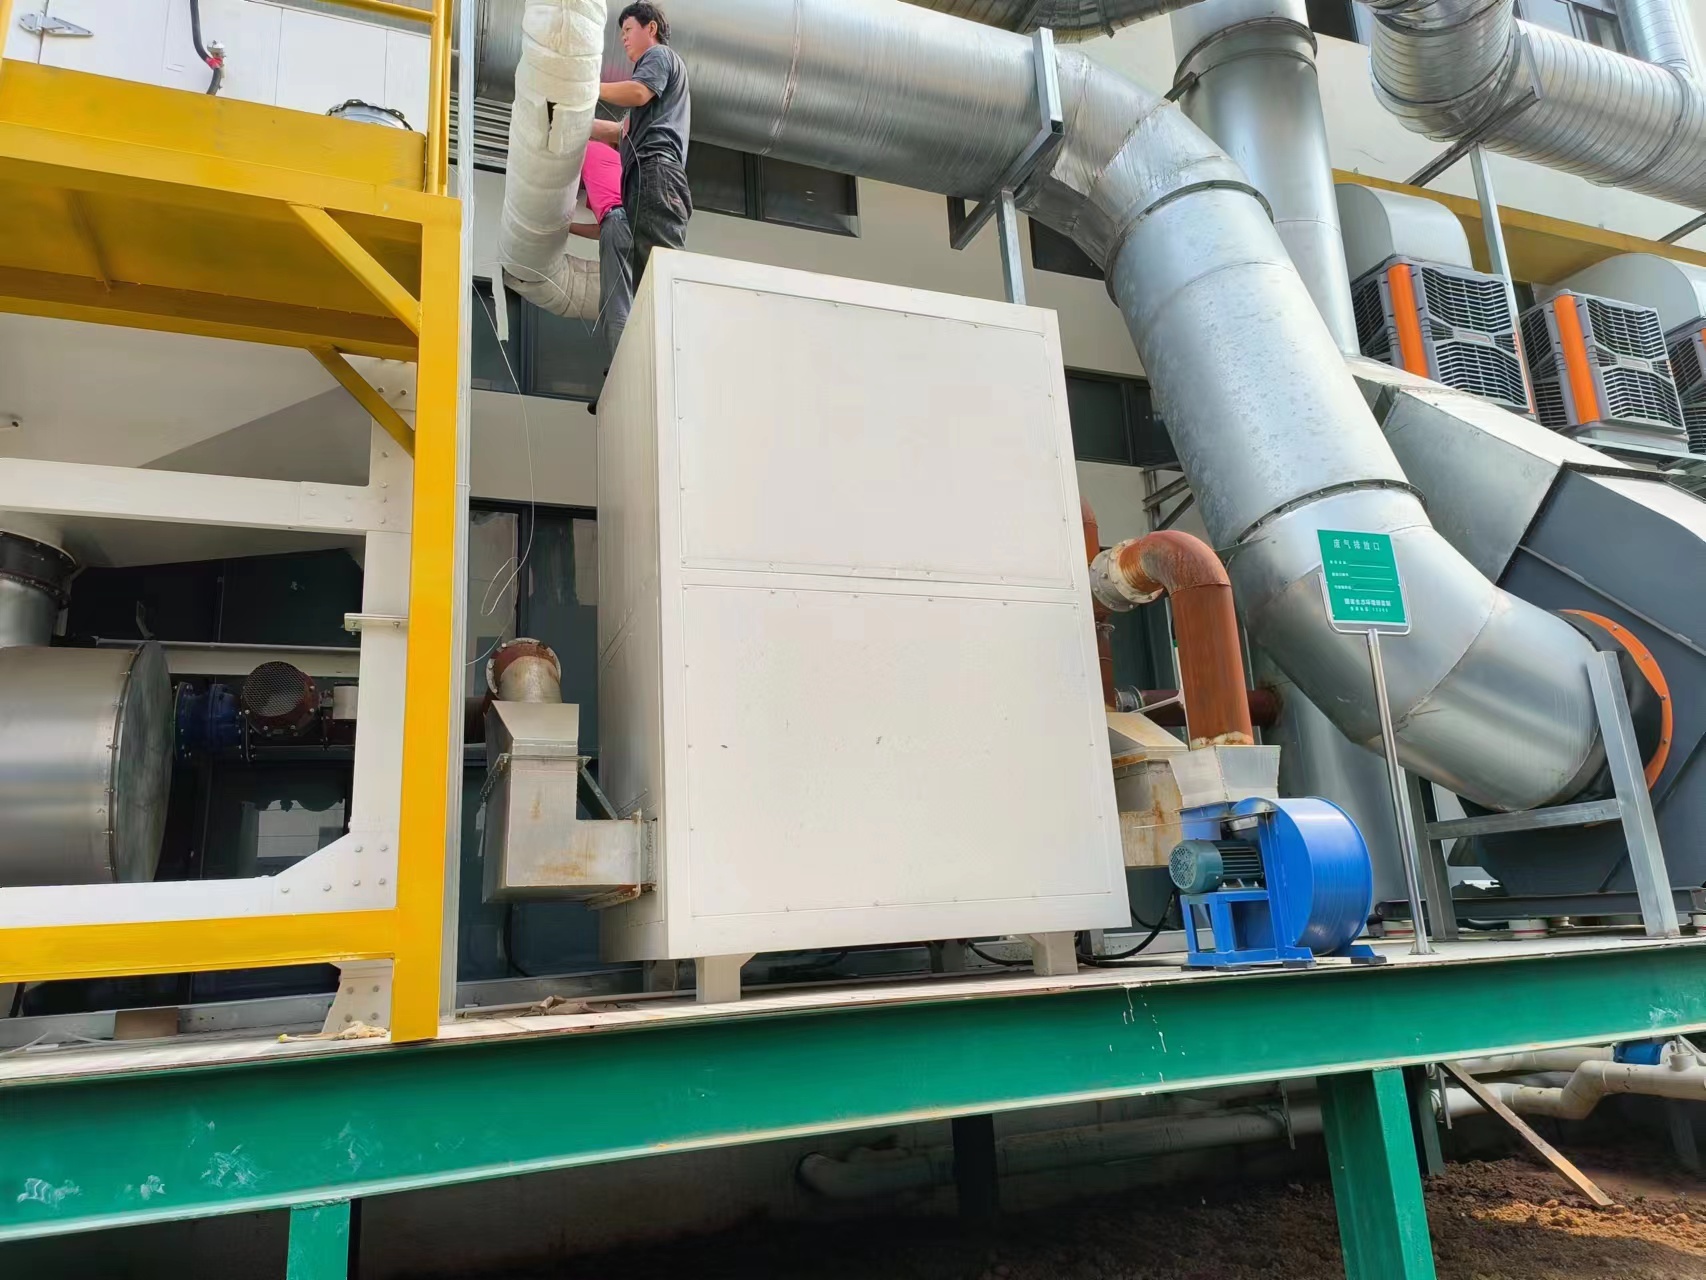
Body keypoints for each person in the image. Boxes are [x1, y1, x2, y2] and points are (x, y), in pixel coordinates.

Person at [590, 2, 692, 361]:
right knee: (648, 281)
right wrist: (577, 120)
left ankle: (674, 359)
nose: (624, 39)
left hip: (656, 172)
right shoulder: (649, 98)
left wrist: (590, 88)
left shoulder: (658, 57)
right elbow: (620, 132)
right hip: (646, 178)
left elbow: (637, 92)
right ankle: (658, 360)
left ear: (651, 28)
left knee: (659, 275)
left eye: (628, 30)